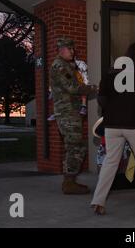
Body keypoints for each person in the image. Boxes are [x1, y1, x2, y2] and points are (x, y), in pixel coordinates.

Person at [90, 43, 135, 215]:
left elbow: (102, 99)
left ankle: (98, 201)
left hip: (113, 124)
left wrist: (111, 111)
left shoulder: (110, 72)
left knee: (110, 162)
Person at [49, 37, 98, 195]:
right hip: (67, 112)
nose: (72, 51)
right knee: (75, 146)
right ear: (61, 49)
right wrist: (94, 88)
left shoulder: (68, 65)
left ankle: (69, 180)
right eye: (69, 49)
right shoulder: (59, 66)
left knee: (74, 146)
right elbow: (72, 87)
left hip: (70, 111)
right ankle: (69, 182)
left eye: (72, 48)